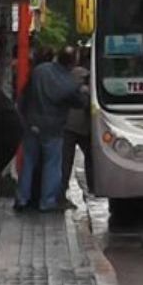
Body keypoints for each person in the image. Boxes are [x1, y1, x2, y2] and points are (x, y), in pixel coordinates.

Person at [14, 46, 88, 213]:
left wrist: (24, 117)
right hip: (53, 129)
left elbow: (25, 93)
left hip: (32, 124)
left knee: (28, 162)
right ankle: (47, 201)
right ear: (73, 63)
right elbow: (80, 103)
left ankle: (22, 198)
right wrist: (83, 91)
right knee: (52, 165)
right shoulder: (70, 83)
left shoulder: (40, 71)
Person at [61, 46, 93, 205]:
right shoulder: (88, 77)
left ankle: (61, 193)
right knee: (91, 157)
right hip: (84, 127)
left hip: (67, 125)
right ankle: (93, 186)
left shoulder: (66, 75)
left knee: (65, 161)